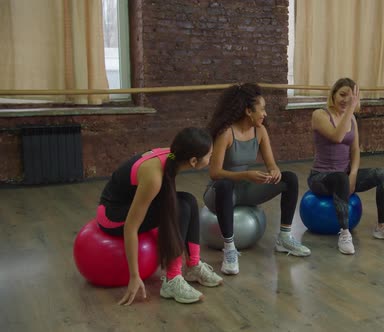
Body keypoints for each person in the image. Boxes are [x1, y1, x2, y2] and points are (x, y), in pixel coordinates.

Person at [97, 127, 222, 305]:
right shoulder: (153, 177)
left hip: (126, 203)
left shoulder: (172, 156)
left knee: (189, 201)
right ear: (194, 161)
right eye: (209, 155)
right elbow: (130, 227)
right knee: (181, 208)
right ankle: (172, 279)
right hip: (112, 216)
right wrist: (134, 276)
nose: (212, 158)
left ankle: (193, 265)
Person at [205, 83, 311, 275]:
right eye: (261, 109)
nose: (265, 114)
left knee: (290, 179)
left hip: (244, 189)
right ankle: (229, 249)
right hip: (218, 191)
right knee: (225, 185)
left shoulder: (260, 131)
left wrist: (275, 171)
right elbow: (215, 173)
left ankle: (284, 238)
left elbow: (271, 164)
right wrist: (246, 175)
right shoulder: (226, 133)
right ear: (248, 111)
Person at [308, 78, 384, 255]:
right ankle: (344, 233)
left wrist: (353, 174)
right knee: (339, 178)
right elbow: (337, 137)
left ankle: (382, 226)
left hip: (344, 175)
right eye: (342, 95)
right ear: (333, 94)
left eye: (351, 96)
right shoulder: (319, 115)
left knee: (383, 175)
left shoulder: (351, 118)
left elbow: (355, 150)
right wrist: (351, 108)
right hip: (321, 178)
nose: (346, 100)